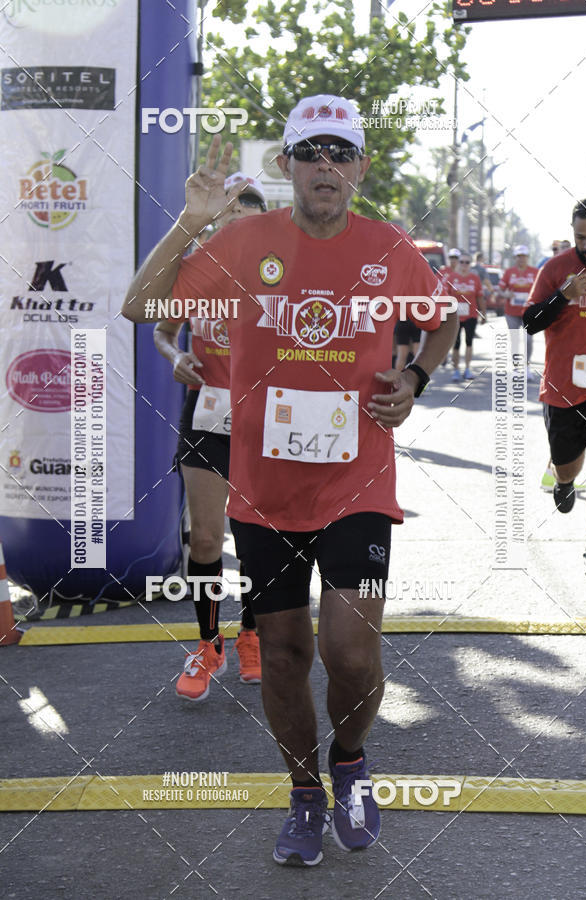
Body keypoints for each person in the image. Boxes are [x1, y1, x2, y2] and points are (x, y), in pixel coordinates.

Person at [122, 93, 457, 866]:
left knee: (350, 652)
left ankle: (350, 761)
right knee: (283, 655)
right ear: (287, 166)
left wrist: (415, 382)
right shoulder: (243, 242)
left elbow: (439, 318)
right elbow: (141, 305)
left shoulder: (390, 247)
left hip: (357, 483)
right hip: (265, 492)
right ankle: (305, 793)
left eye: (342, 151)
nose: (327, 165)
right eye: (312, 152)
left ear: (361, 167)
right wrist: (192, 220)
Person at [153, 173, 266, 701]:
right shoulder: (199, 273)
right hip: (208, 415)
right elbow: (160, 329)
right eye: (224, 222)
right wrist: (177, 357)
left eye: (245, 221)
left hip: (270, 422)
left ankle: (253, 634)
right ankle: (207, 644)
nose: (233, 232)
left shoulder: (279, 276)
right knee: (205, 539)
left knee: (257, 540)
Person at [523, 197, 586, 578]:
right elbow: (530, 322)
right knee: (570, 465)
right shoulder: (556, 269)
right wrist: (564, 296)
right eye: (581, 237)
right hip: (564, 389)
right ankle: (563, 478)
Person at [498, 245, 538, 381]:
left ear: (528, 257)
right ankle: (516, 368)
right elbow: (500, 289)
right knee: (515, 340)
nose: (521, 259)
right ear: (515, 258)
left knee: (528, 340)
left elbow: (541, 289)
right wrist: (505, 294)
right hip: (511, 312)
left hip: (528, 312)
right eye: (519, 256)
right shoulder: (509, 272)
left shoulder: (535, 272)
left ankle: (527, 367)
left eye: (524, 256)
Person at [444, 252, 485, 381]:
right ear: (458, 263)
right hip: (454, 316)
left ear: (470, 264)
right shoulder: (451, 277)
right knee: (455, 344)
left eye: (467, 262)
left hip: (471, 315)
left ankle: (467, 369)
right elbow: (445, 296)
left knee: (469, 342)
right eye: (462, 262)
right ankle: (455, 370)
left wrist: (483, 312)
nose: (464, 265)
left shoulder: (475, 278)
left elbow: (480, 296)